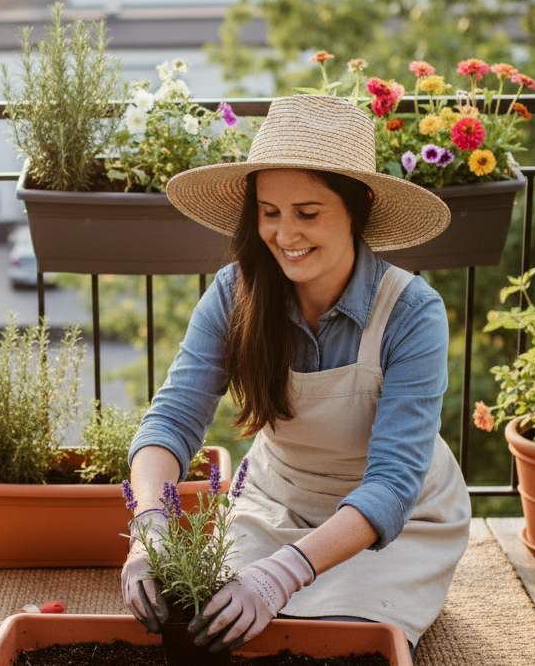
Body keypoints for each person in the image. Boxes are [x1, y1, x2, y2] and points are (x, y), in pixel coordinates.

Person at [120, 95, 471, 656]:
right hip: (273, 504)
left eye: (308, 213)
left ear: (358, 210)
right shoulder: (234, 292)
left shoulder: (411, 312)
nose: (285, 234)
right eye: (269, 212)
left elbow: (392, 485)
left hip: (391, 527)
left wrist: (279, 576)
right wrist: (150, 526)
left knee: (341, 644)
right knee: (217, 628)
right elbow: (172, 419)